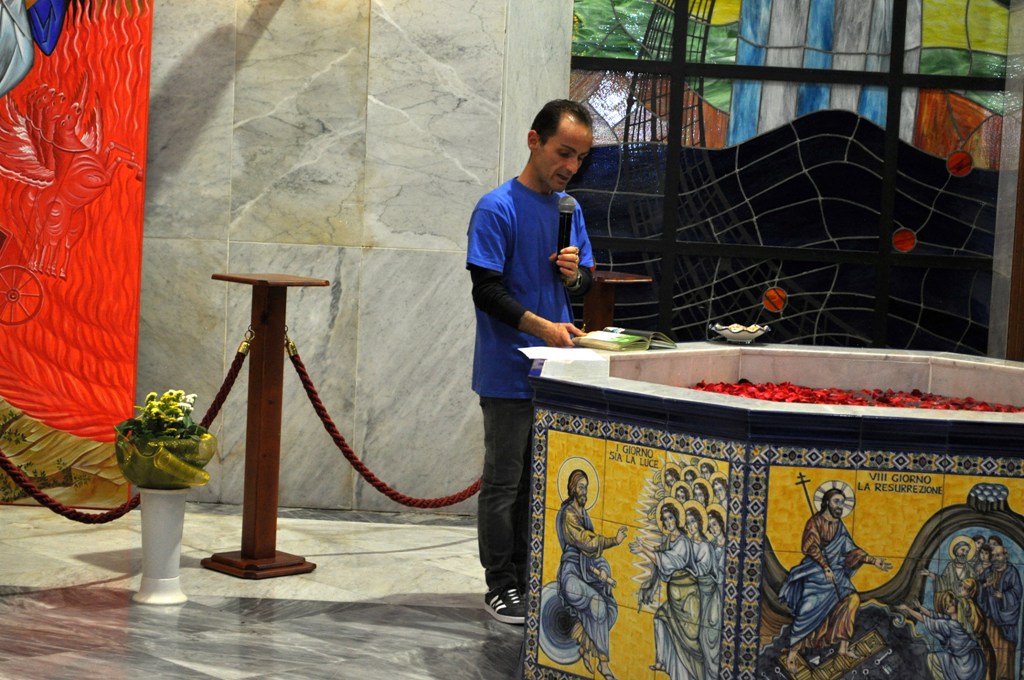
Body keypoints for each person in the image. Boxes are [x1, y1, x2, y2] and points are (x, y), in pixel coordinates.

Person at [466, 99, 595, 624]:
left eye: (580, 158)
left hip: (555, 372)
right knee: (504, 483)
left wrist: (573, 277)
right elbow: (485, 290)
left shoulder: (570, 210)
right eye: (564, 153)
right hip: (507, 368)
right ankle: (501, 584)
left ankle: (528, 576)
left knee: (537, 486)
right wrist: (542, 327)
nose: (571, 167)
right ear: (533, 140)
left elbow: (585, 282)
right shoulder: (496, 208)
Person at [778, 488, 892, 673]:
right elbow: (810, 547)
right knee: (808, 608)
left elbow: (851, 549)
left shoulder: (839, 525)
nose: (840, 506)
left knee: (852, 600)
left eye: (842, 502)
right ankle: (792, 653)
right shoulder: (814, 522)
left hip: (836, 574)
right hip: (815, 572)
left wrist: (873, 560)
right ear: (826, 502)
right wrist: (825, 566)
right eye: (837, 502)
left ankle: (843, 648)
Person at [631, 501, 723, 680]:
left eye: (671, 518)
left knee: (690, 640)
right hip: (676, 596)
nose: (690, 526)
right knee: (660, 619)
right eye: (665, 519)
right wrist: (646, 550)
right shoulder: (678, 541)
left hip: (689, 597)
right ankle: (663, 662)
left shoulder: (691, 544)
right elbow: (662, 554)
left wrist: (644, 550)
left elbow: (669, 560)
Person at [556, 469, 627, 679]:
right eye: (581, 487)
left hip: (585, 573)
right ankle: (603, 664)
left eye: (586, 487)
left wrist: (603, 570)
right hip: (571, 576)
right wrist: (613, 541)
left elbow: (594, 556)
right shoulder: (569, 514)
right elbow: (587, 543)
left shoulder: (585, 515)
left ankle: (585, 648)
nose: (584, 491)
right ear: (572, 488)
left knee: (609, 609)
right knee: (598, 604)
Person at [897, 590, 986, 680]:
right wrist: (920, 607)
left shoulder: (948, 624)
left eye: (951, 601)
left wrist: (907, 609)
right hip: (976, 660)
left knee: (931, 658)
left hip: (966, 666)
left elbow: (924, 619)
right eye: (948, 603)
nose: (951, 604)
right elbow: (933, 615)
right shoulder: (955, 619)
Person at [977, 542, 1022, 680]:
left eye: (998, 555)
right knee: (990, 652)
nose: (995, 558)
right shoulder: (989, 571)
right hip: (990, 621)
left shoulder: (1012, 572)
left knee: (1005, 653)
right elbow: (977, 586)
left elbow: (1017, 594)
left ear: (1005, 556)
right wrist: (985, 585)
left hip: (1006, 624)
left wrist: (1003, 596)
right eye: (993, 555)